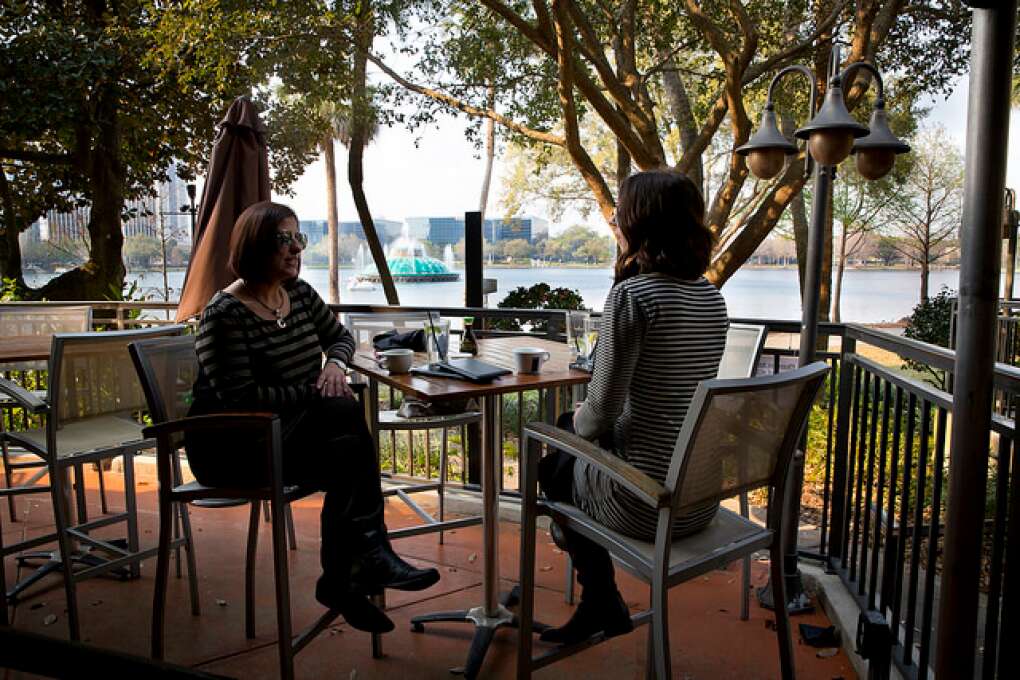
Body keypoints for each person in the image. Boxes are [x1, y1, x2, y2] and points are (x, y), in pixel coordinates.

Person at [187, 201, 439, 635]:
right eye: (281, 240)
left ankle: (347, 575)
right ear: (252, 248)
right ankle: (356, 567)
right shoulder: (224, 315)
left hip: (294, 433)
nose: (294, 249)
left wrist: (333, 368)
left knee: (346, 449)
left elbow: (339, 337)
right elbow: (241, 397)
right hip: (234, 446)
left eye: (297, 238)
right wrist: (315, 390)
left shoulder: (299, 295)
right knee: (344, 419)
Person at [538, 170, 729, 645]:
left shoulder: (632, 296)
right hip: (698, 498)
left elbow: (600, 412)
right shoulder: (713, 298)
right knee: (568, 438)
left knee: (553, 459)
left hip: (644, 503)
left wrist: (573, 431)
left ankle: (598, 594)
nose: (614, 222)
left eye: (618, 214)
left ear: (639, 222)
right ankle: (596, 595)